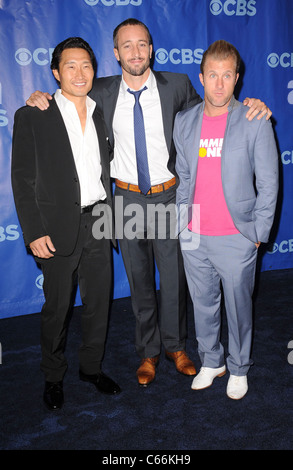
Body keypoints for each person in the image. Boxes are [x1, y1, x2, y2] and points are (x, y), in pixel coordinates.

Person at [26, 18, 272, 388]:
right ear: (115, 53)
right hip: (124, 200)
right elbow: (67, 95)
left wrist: (252, 103)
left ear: (151, 49)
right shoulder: (101, 92)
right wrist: (39, 97)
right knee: (139, 280)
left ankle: (177, 348)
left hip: (173, 197)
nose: (136, 52)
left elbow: (216, 112)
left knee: (176, 278)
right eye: (127, 45)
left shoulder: (178, 85)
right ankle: (148, 352)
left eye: (142, 44)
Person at [11, 37, 121, 411]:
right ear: (56, 72)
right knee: (57, 309)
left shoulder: (100, 110)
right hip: (55, 228)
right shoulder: (33, 114)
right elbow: (22, 180)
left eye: (86, 65)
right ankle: (53, 376)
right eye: (70, 66)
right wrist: (33, 231)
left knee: (98, 305)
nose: (79, 72)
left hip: (99, 221)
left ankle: (91, 369)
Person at [173, 40, 278, 400]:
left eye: (227, 76)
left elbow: (268, 181)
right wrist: (182, 225)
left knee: (238, 308)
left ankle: (238, 366)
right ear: (201, 77)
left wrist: (258, 232)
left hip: (237, 235)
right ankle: (211, 360)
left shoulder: (254, 120)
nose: (219, 84)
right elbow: (184, 176)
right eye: (212, 75)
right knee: (202, 305)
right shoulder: (185, 121)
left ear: (237, 79)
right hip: (194, 233)